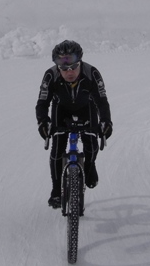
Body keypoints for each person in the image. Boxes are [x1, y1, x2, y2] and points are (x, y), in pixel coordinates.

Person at [35, 40, 113, 209]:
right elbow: (42, 103)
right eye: (63, 68)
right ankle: (56, 190)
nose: (69, 72)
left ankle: (89, 167)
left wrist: (106, 121)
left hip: (87, 108)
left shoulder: (92, 73)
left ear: (80, 62)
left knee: (91, 145)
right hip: (60, 109)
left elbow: (102, 101)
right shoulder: (50, 75)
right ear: (57, 67)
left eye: (73, 67)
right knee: (57, 148)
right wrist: (43, 121)